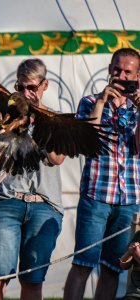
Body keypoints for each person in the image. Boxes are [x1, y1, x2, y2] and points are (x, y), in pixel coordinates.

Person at [0, 58, 65, 300]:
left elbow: (57, 158)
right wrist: (5, 124)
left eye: (32, 88)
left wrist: (40, 121)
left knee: (33, 281)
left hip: (44, 205)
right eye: (20, 87)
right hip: (7, 201)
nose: (26, 93)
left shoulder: (55, 118)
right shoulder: (4, 115)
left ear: (44, 85)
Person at [63, 48, 140, 300]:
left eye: (128, 72)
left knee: (112, 268)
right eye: (117, 69)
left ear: (138, 76)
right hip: (96, 194)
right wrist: (100, 102)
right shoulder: (89, 101)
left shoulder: (137, 108)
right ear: (109, 69)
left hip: (128, 199)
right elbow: (86, 143)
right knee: (83, 263)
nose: (121, 75)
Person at [120, 230, 140, 300]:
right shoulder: (138, 234)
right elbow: (123, 266)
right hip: (134, 294)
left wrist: (138, 256)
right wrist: (129, 253)